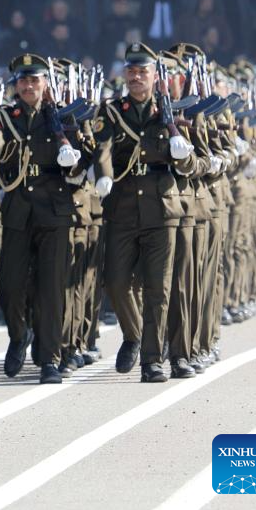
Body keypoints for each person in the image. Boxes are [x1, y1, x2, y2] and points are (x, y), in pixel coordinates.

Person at [89, 42, 199, 383]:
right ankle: (134, 334)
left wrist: (181, 153)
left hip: (161, 208)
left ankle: (152, 361)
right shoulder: (111, 111)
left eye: (143, 72)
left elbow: (190, 165)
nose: (136, 77)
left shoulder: (171, 110)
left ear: (154, 76)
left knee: (157, 288)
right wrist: (104, 175)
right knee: (116, 282)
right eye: (132, 71)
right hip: (122, 206)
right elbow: (103, 147)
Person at [0, 53, 84, 383]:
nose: (28, 86)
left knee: (51, 288)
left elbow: (81, 161)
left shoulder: (62, 115)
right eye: (23, 80)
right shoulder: (6, 116)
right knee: (10, 285)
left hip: (54, 210)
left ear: (45, 83)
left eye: (34, 80)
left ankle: (50, 358)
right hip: (18, 210)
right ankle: (19, 335)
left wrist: (74, 163)